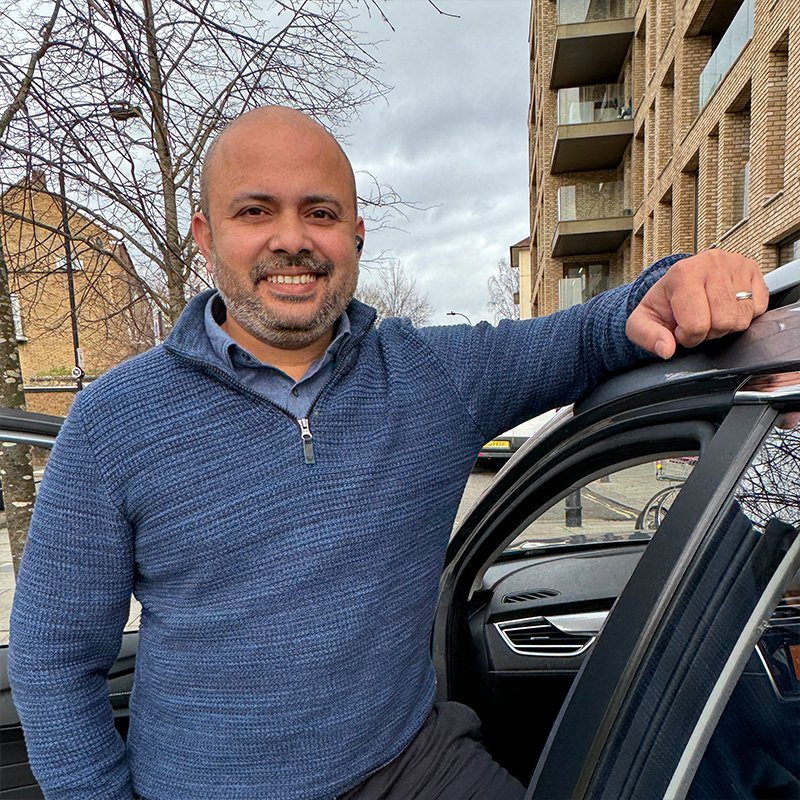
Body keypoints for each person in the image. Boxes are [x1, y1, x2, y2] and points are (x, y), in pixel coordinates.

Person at [8, 106, 770, 800]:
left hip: (414, 765)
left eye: (320, 212)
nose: (292, 239)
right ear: (206, 236)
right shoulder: (113, 420)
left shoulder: (434, 377)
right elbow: (51, 661)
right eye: (255, 211)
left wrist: (675, 284)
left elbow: (590, 335)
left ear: (357, 235)